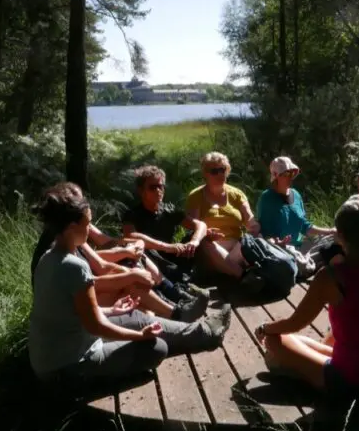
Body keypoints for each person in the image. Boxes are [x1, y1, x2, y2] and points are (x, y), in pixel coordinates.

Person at [29, 190, 231, 386]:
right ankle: (110, 373)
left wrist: (113, 311)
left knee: (136, 317)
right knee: (155, 348)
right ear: (72, 227)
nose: (90, 229)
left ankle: (203, 332)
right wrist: (139, 336)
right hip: (67, 369)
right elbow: (95, 326)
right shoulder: (73, 266)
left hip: (59, 353)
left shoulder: (48, 258)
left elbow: (73, 312)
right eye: (88, 224)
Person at [254, 202, 359, 396]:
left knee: (275, 340)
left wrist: (264, 328)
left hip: (350, 379)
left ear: (340, 235)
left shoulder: (330, 276)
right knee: (306, 341)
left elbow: (296, 323)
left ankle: (302, 374)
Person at [33, 183, 209, 323]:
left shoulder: (71, 232)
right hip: (71, 311)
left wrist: (130, 254)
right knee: (132, 284)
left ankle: (163, 318)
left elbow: (102, 260)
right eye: (80, 203)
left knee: (134, 271)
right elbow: (84, 281)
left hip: (82, 297)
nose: (85, 206)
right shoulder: (56, 248)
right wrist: (129, 275)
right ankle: (174, 314)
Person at [186, 153, 260, 279]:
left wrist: (254, 229)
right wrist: (207, 233)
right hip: (211, 249)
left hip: (236, 248)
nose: (220, 174)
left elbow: (251, 222)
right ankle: (242, 275)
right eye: (214, 171)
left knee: (253, 240)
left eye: (222, 170)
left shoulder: (237, 194)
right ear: (205, 174)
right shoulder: (195, 196)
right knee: (205, 243)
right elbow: (193, 227)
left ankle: (228, 269)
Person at [256, 157, 335, 248]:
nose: (290, 177)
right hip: (278, 250)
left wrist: (330, 231)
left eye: (292, 173)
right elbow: (264, 233)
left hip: (299, 246)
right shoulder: (267, 198)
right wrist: (276, 243)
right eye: (286, 173)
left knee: (332, 241)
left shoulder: (296, 195)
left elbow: (305, 226)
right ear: (276, 175)